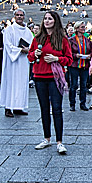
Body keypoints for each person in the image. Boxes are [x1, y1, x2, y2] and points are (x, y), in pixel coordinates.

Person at [29, 10, 74, 154]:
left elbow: (69, 59)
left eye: (50, 19)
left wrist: (57, 59)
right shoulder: (37, 38)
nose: (47, 21)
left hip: (55, 78)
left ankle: (59, 142)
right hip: (39, 76)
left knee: (56, 108)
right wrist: (34, 54)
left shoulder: (62, 39)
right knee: (44, 109)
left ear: (55, 21)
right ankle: (46, 138)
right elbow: (30, 57)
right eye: (45, 19)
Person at [0, 9, 34, 117]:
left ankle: (19, 106)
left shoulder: (28, 31)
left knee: (22, 83)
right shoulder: (9, 29)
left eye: (21, 15)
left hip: (23, 62)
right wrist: (20, 50)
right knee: (10, 83)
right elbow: (7, 45)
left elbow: (32, 44)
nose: (19, 17)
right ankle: (8, 107)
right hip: (12, 61)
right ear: (14, 16)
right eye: (17, 15)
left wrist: (28, 50)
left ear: (24, 17)